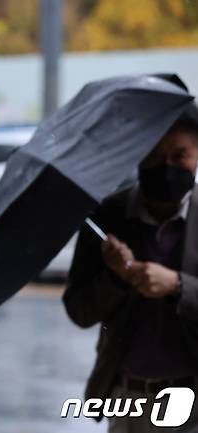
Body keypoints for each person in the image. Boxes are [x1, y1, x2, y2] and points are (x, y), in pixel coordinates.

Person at [63, 109, 198, 432]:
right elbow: (79, 311)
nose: (166, 166)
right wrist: (114, 278)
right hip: (126, 401)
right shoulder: (107, 218)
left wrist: (178, 286)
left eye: (179, 155)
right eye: (154, 155)